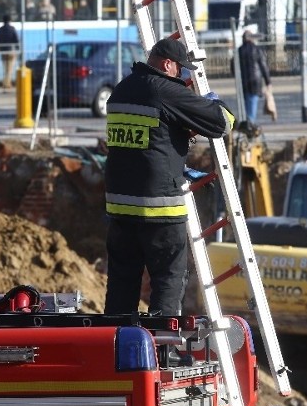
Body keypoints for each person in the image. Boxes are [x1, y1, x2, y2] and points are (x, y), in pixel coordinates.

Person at [103, 37, 234, 316]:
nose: (182, 76)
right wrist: (214, 102)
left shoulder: (120, 91)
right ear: (167, 64)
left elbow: (143, 141)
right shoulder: (165, 91)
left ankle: (116, 343)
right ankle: (164, 349)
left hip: (120, 208)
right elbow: (222, 123)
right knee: (168, 280)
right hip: (159, 209)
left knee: (122, 283)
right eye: (180, 70)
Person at [237, 30, 271, 124]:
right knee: (252, 107)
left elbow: (233, 67)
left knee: (246, 106)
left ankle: (247, 124)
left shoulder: (239, 50)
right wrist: (268, 82)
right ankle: (250, 128)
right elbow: (264, 66)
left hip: (243, 82)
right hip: (255, 82)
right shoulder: (257, 49)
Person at [0, 14, 19, 91]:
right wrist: (17, 48)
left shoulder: (0, 29)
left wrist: (0, 48)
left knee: (5, 68)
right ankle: (6, 84)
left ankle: (6, 83)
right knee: (10, 68)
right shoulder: (12, 29)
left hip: (3, 51)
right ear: (10, 20)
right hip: (11, 51)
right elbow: (16, 39)